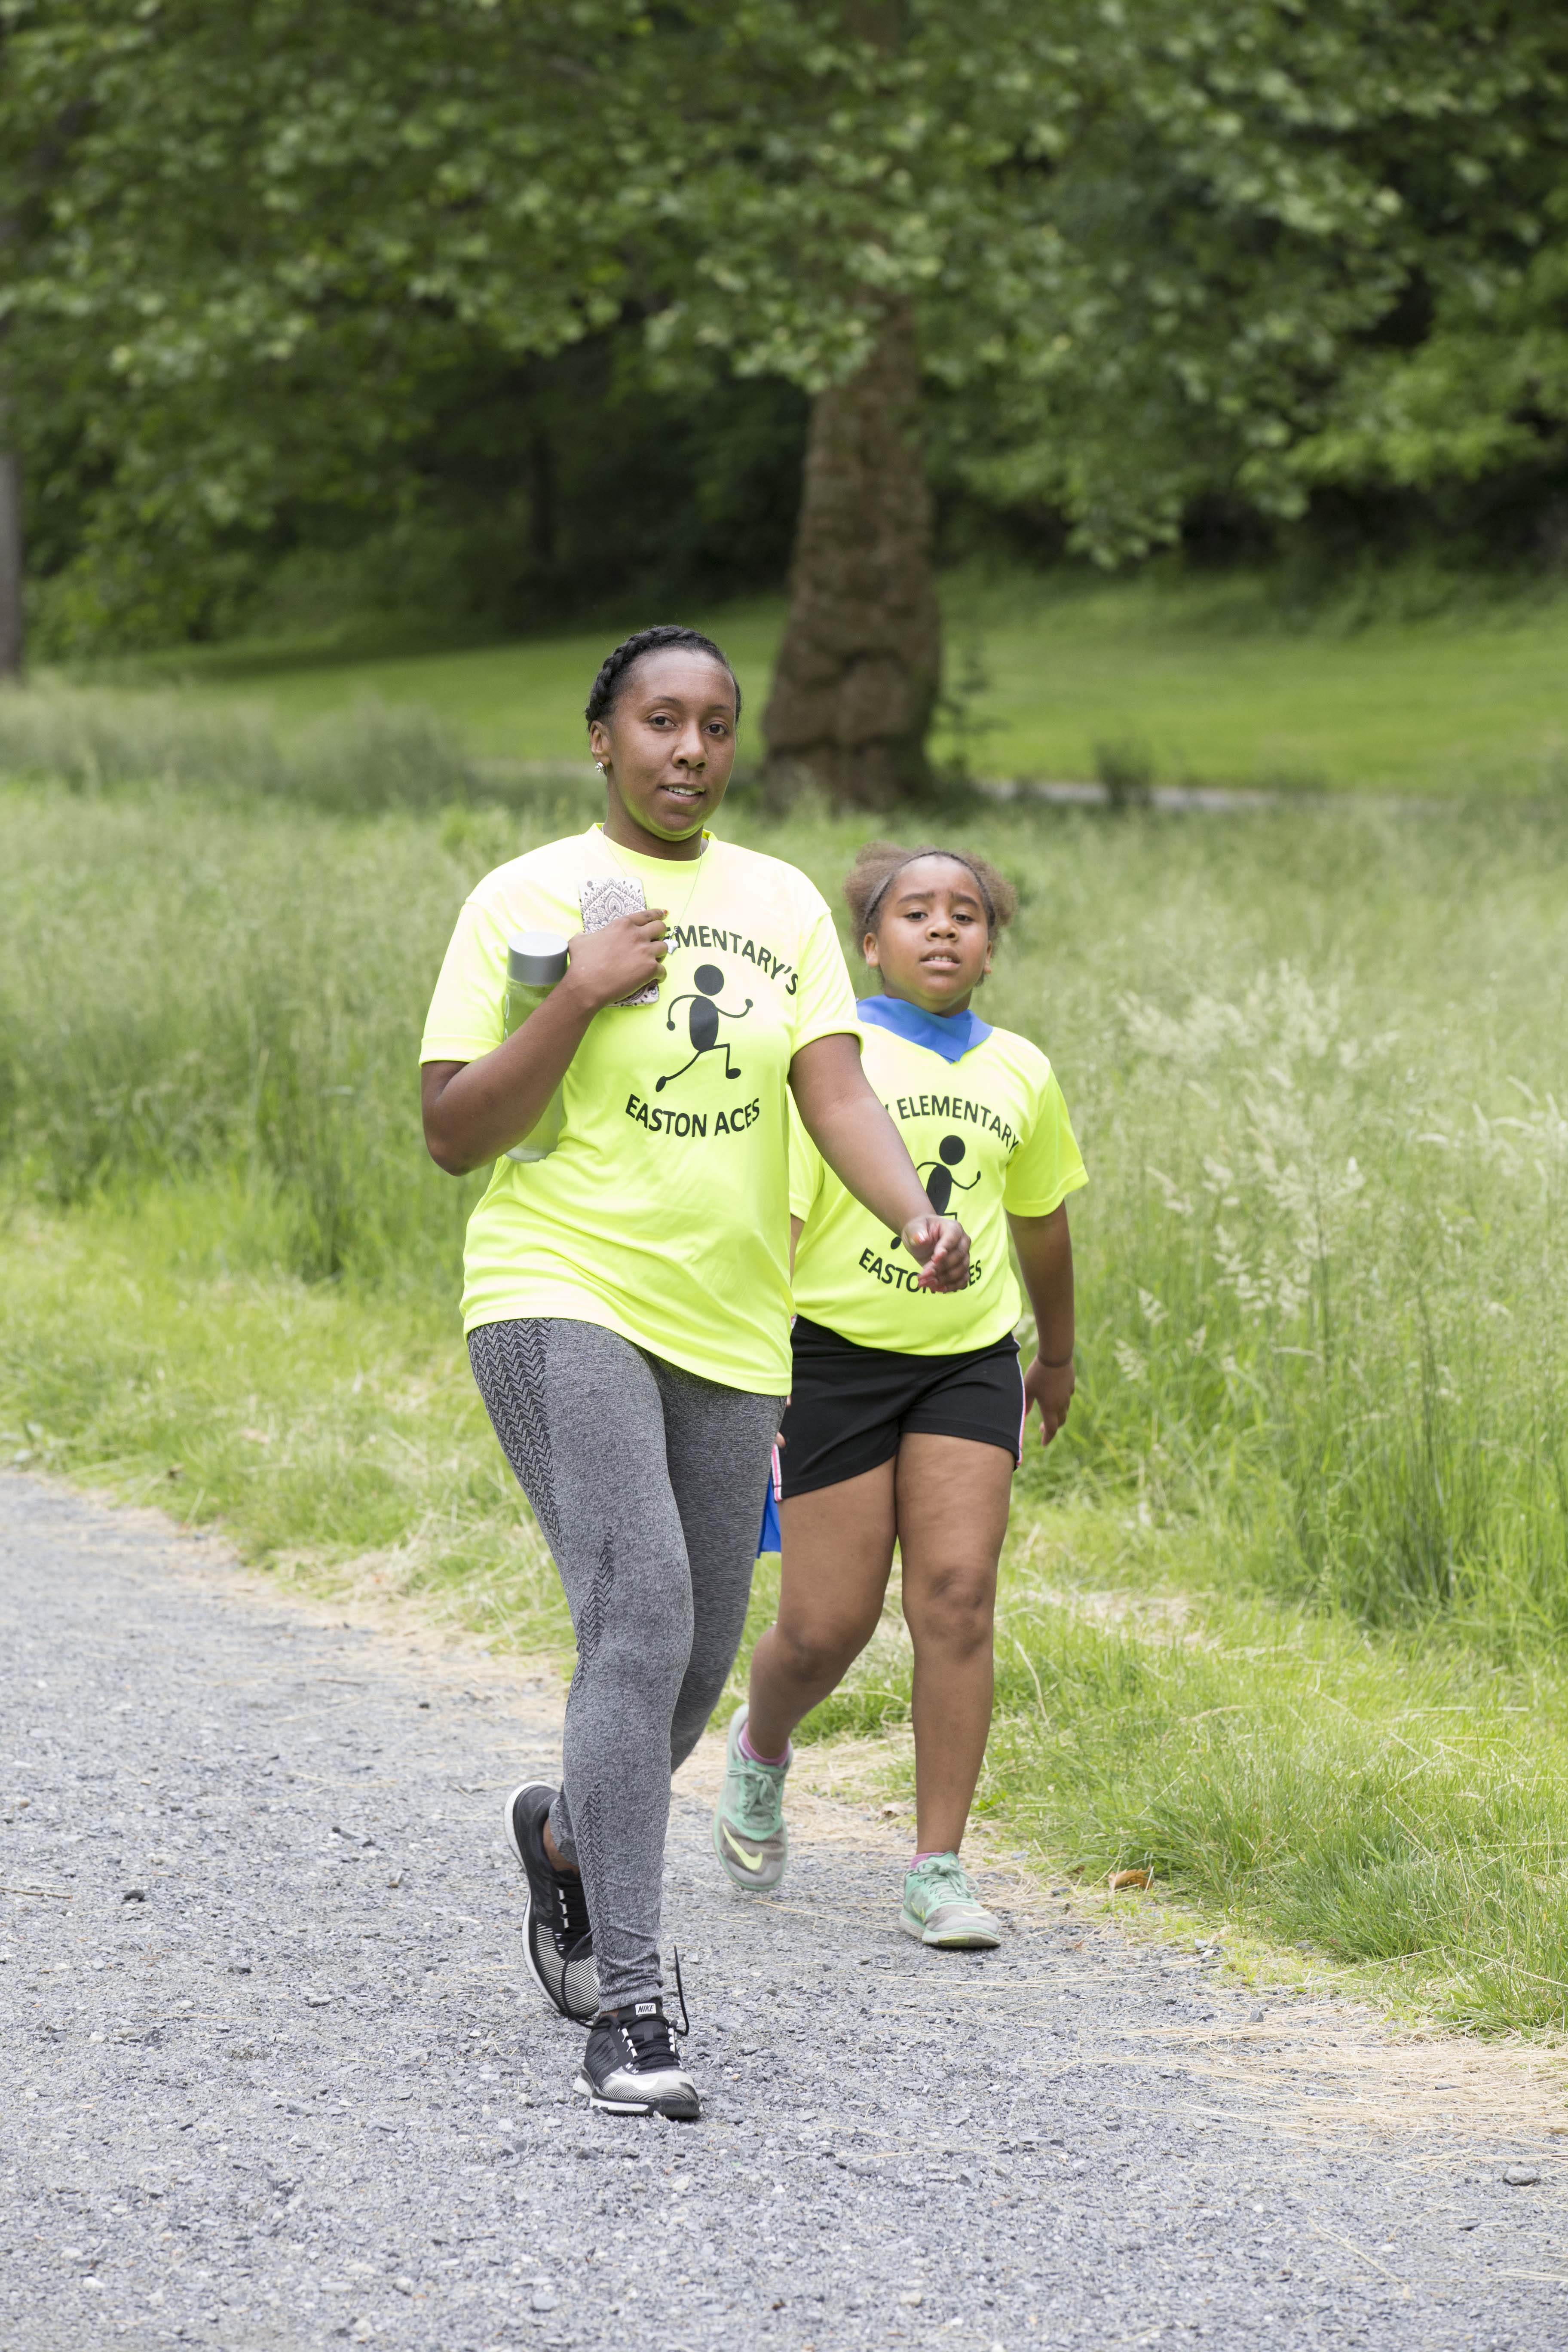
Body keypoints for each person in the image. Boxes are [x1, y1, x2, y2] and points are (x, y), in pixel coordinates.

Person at [418, 633, 972, 2119]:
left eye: (717, 726)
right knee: (641, 1610)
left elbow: (835, 1092)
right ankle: (632, 2009)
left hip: (731, 1327)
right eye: (661, 721)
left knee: (697, 1659)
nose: (691, 750)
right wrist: (577, 993)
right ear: (602, 738)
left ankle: (567, 1844)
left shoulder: (781, 903)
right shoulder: (526, 898)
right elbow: (456, 1132)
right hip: (558, 1289)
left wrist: (911, 1214)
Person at [712, 839, 1086, 1949]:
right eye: (915, 912)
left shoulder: (1022, 1070)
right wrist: (758, 1365)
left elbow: (1042, 1224)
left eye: (966, 914)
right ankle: (762, 1746)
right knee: (825, 1629)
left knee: (959, 1598)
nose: (943, 928)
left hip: (967, 1358)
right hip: (829, 1358)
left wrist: (1056, 1355)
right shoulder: (831, 1059)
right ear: (869, 943)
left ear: (991, 948)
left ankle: (938, 1868)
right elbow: (779, 1224)